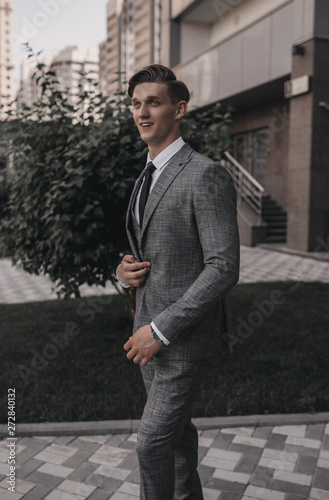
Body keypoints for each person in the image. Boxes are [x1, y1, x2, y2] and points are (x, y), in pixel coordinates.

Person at [117, 64, 240, 500]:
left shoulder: (204, 174)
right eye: (135, 103)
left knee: (151, 444)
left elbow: (223, 266)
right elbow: (152, 249)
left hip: (179, 339)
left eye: (153, 102)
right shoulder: (145, 175)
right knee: (178, 441)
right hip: (145, 332)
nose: (142, 112)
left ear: (179, 108)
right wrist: (123, 272)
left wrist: (162, 330)